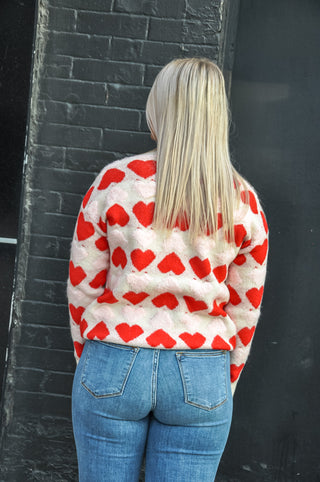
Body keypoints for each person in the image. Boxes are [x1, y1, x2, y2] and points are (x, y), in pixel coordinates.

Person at [68, 57, 269, 481]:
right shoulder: (242, 202)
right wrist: (224, 378)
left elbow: (82, 285)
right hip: (202, 369)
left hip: (114, 354)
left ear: (159, 108)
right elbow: (244, 307)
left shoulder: (113, 183)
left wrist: (89, 356)